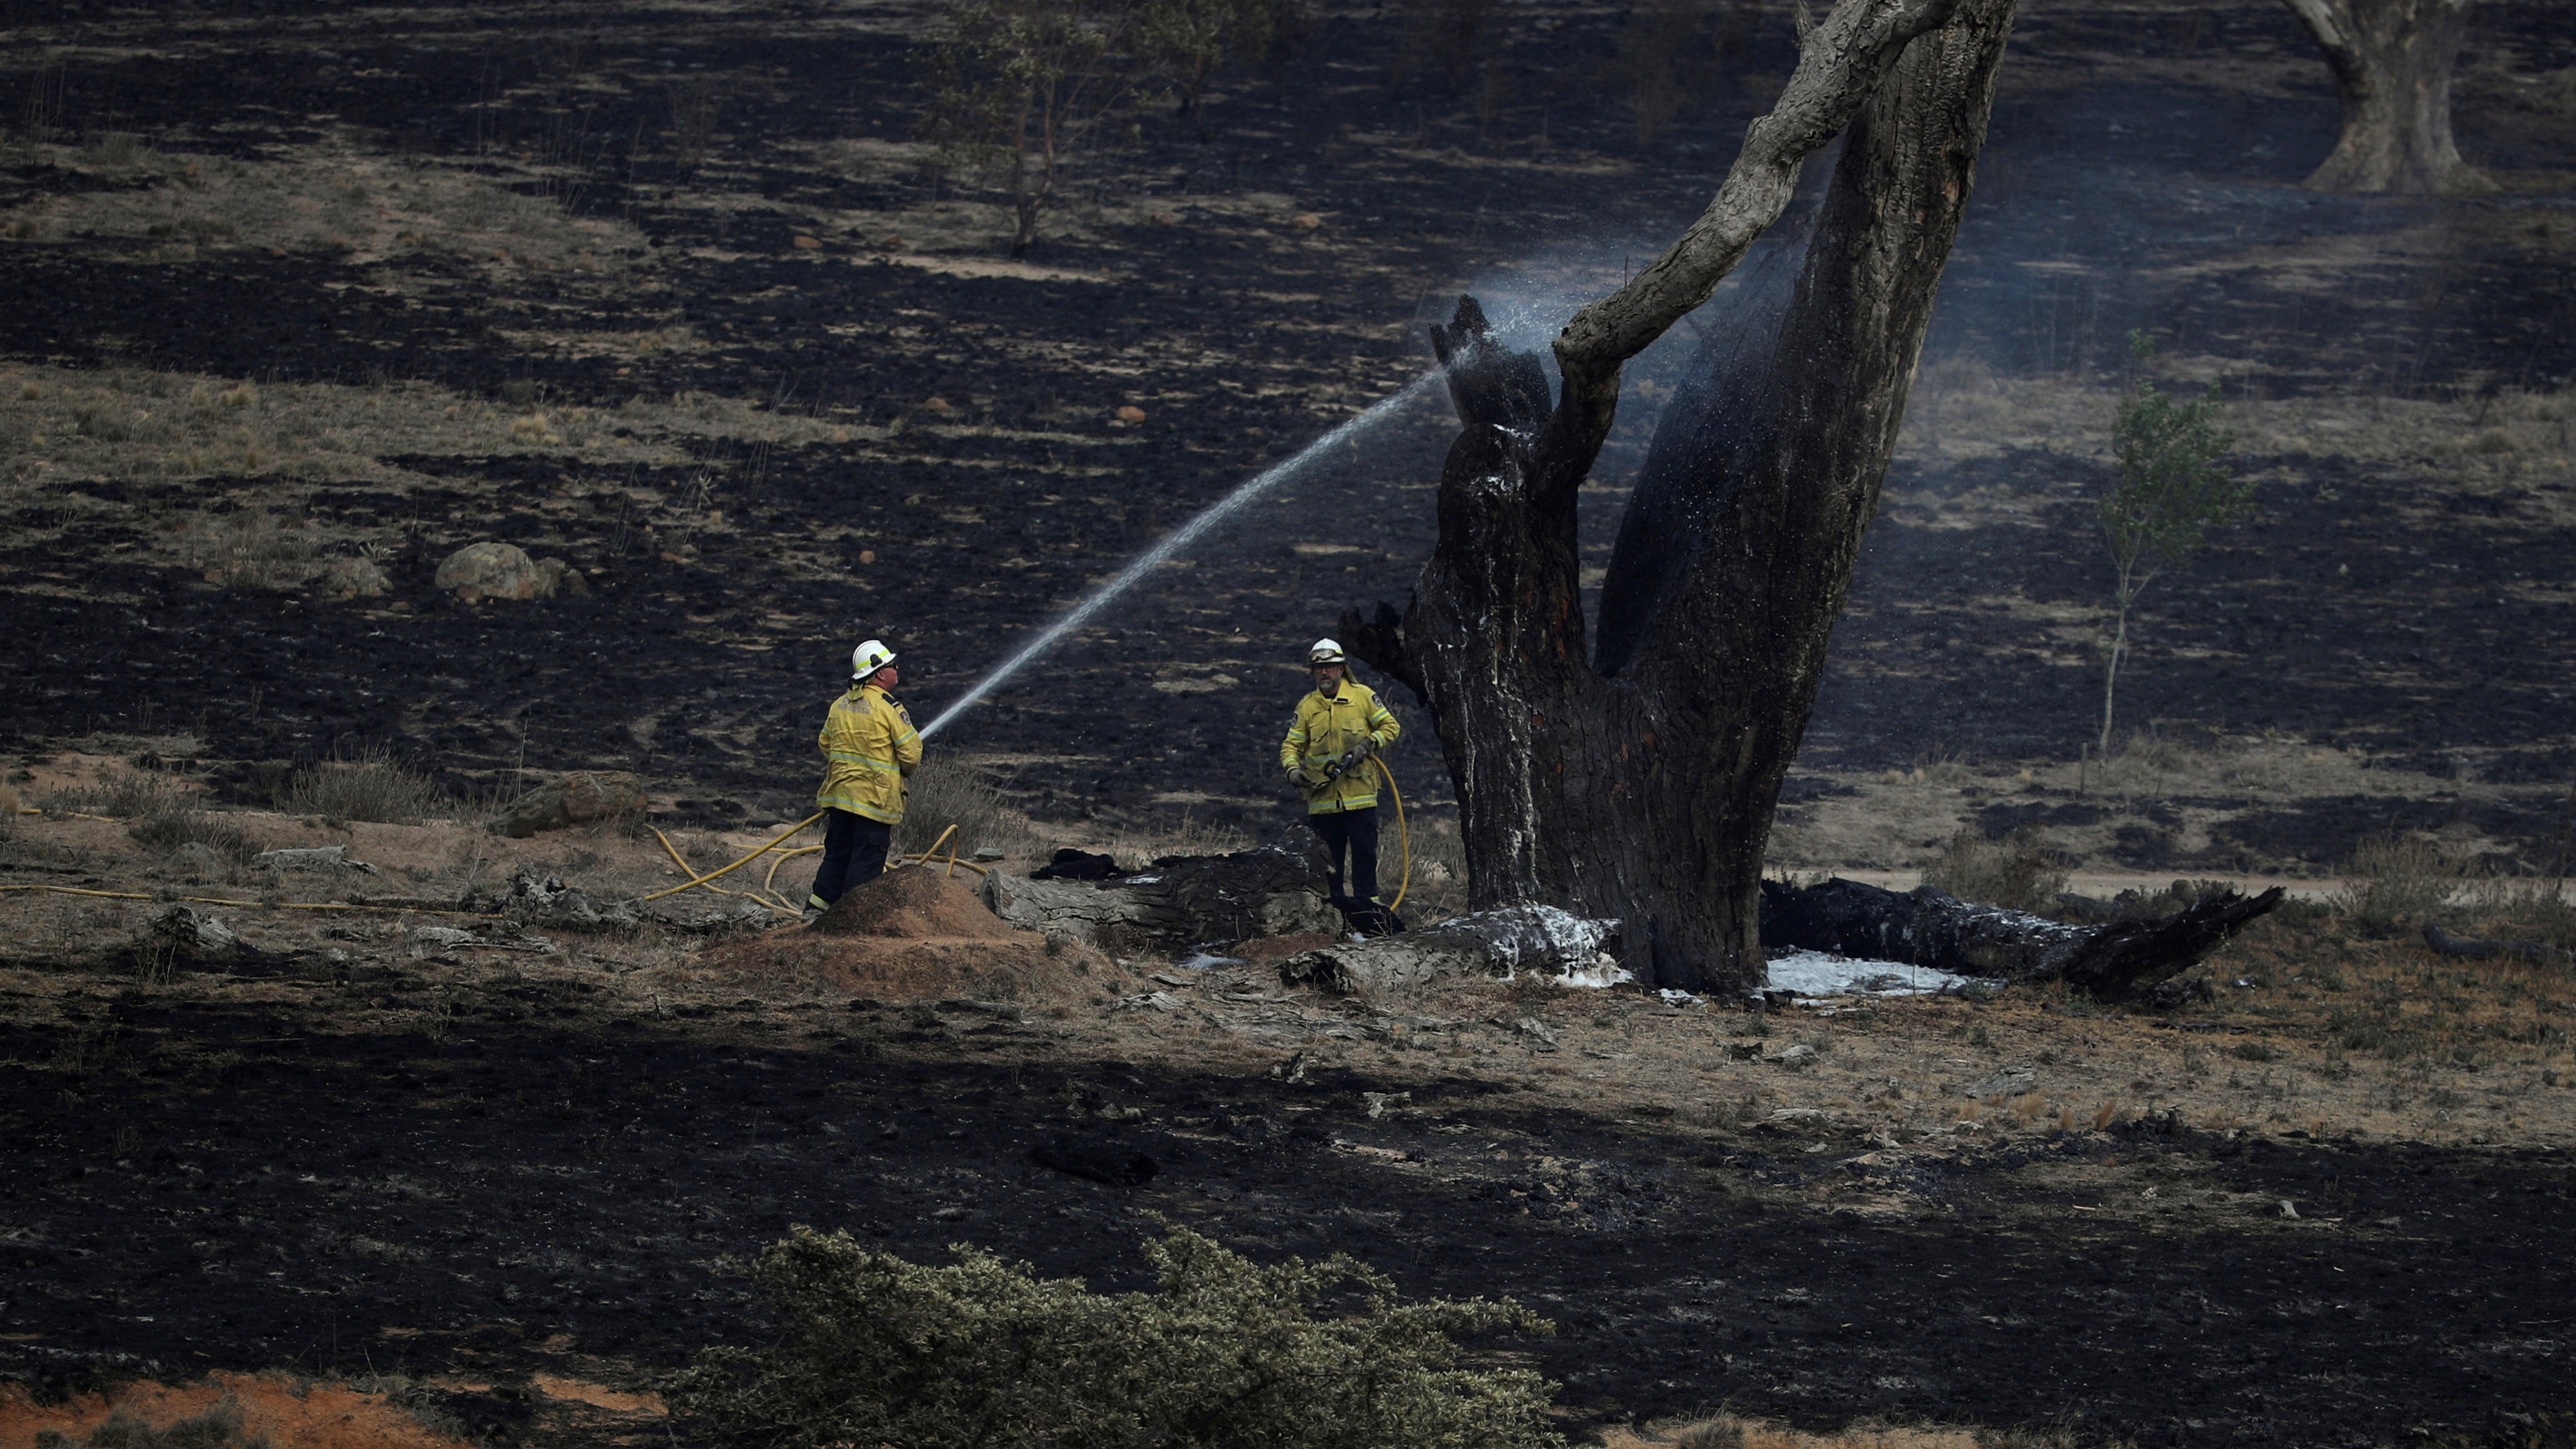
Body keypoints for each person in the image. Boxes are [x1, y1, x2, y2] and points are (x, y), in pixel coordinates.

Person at [1278, 638, 1400, 919]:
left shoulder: (1362, 697)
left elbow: (1391, 727)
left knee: (1364, 859)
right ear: (1313, 672)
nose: (1325, 673)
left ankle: (1369, 918)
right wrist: (1293, 771)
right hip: (1323, 803)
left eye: (1330, 667)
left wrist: (1368, 745)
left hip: (1360, 798)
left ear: (1342, 669)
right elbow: (1291, 745)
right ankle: (1333, 920)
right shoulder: (1308, 707)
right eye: (1319, 668)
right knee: (1328, 865)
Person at [807, 639, 921, 912]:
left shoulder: (840, 705)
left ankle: (814, 914)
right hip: (874, 802)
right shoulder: (889, 707)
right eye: (893, 666)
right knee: (866, 861)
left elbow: (825, 743)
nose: (897, 670)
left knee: (836, 857)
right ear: (880, 673)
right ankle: (853, 922)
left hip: (840, 799)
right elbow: (912, 756)